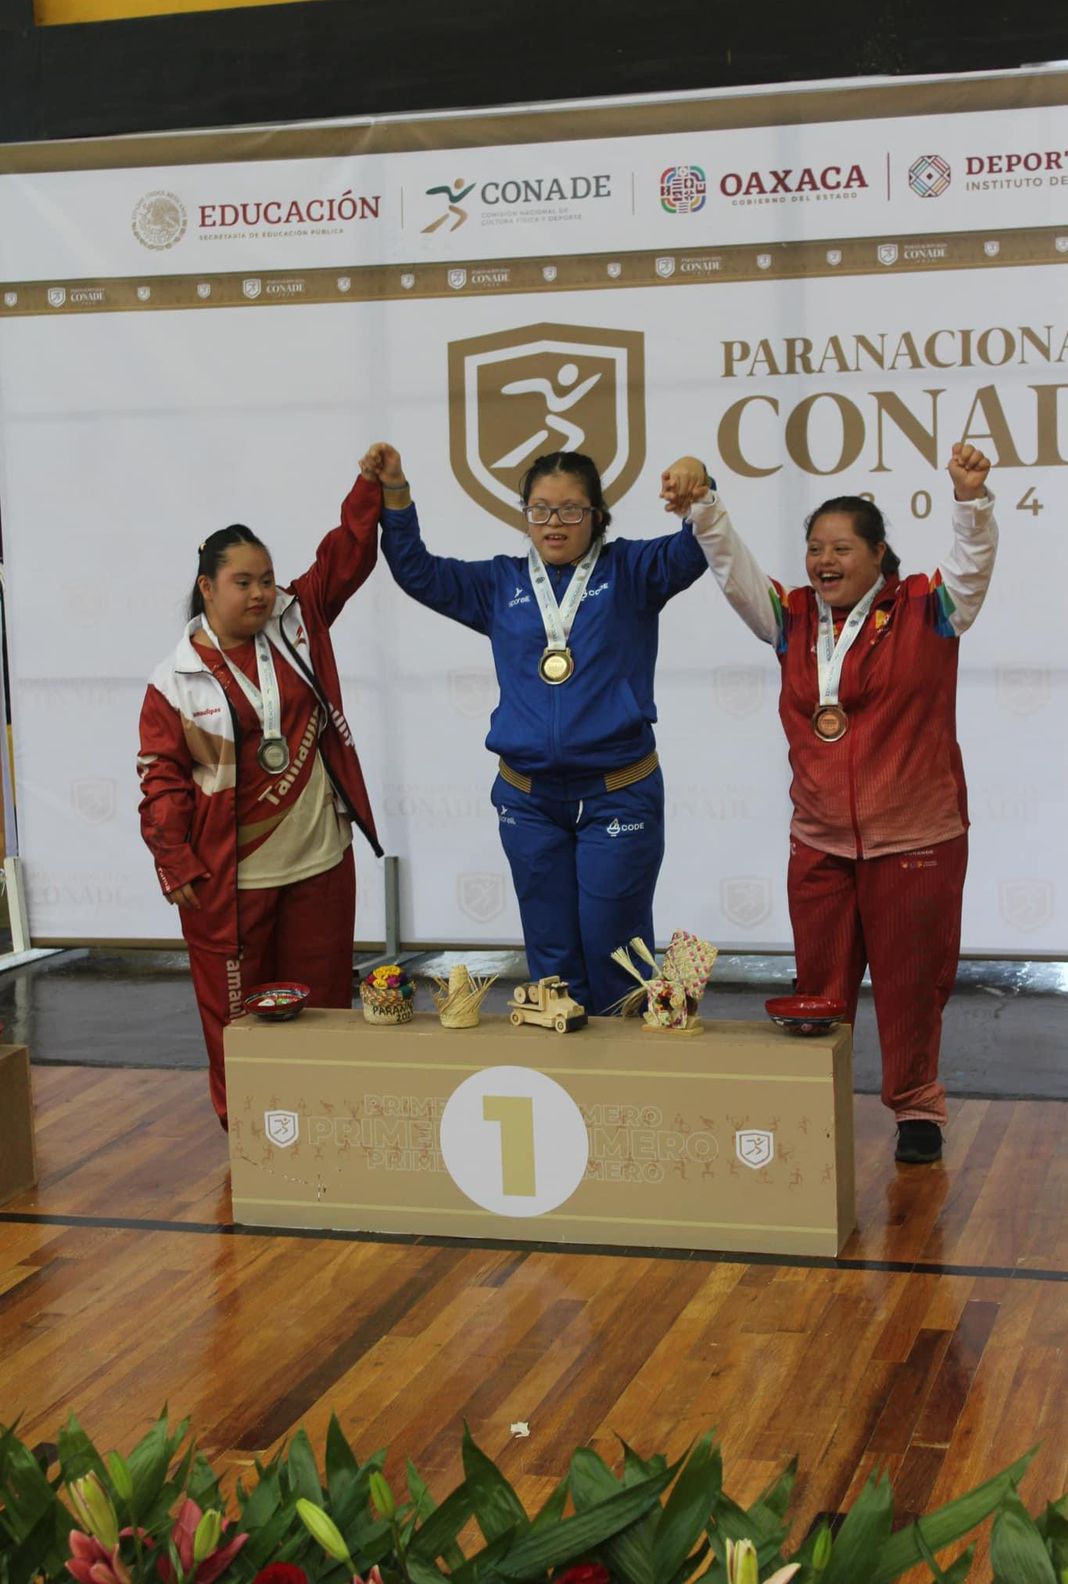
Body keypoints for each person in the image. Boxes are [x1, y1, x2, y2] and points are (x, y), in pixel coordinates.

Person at [663, 443, 996, 1163]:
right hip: (818, 840)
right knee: (818, 989)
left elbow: (972, 566)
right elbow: (733, 570)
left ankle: (917, 1108)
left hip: (916, 839)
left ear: (878, 555)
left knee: (912, 986)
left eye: (842, 548)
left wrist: (971, 501)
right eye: (815, 548)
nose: (824, 560)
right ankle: (812, 1104)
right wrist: (705, 505)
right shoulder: (789, 617)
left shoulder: (929, 609)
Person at [363, 441, 713, 1015]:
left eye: (571, 510)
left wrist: (701, 488)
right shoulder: (499, 583)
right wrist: (396, 494)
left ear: (597, 515)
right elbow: (416, 571)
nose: (554, 523)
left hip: (618, 793)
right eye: (540, 509)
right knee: (551, 962)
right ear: (524, 514)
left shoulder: (632, 571)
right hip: (528, 801)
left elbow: (696, 548)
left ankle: (626, 1069)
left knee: (616, 953)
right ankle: (566, 1069)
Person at [137, 478, 384, 1128]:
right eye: (243, 582)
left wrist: (370, 487)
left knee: (323, 1007)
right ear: (207, 587)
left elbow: (347, 556)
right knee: (239, 1023)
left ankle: (327, 1124)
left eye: (267, 580)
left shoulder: (297, 620)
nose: (259, 593)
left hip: (319, 859)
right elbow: (161, 778)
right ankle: (252, 1138)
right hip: (232, 879)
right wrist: (175, 860)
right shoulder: (175, 681)